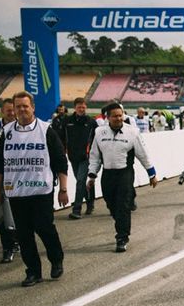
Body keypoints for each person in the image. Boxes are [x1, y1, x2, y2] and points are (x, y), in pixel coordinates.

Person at [0, 92, 68, 286]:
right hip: (16, 192)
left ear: (33, 107)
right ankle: (33, 271)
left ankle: (56, 259)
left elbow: (60, 161)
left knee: (45, 229)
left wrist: (63, 189)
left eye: (25, 106)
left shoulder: (45, 129)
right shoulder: (7, 132)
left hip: (41, 191)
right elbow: (0, 164)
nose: (22, 110)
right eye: (18, 107)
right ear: (14, 109)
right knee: (24, 235)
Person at [86, 103, 157, 252]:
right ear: (108, 117)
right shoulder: (99, 132)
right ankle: (121, 222)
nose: (118, 118)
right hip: (108, 174)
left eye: (121, 115)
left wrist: (152, 174)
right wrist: (91, 176)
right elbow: (94, 156)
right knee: (112, 205)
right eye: (115, 116)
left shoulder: (133, 132)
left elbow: (143, 154)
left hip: (125, 173)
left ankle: (122, 237)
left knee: (123, 205)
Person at [54, 97, 99, 219]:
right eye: (79, 107)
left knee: (80, 181)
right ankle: (90, 202)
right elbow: (61, 137)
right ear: (75, 107)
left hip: (86, 157)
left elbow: (96, 139)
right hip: (72, 157)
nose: (81, 109)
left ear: (86, 107)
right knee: (81, 183)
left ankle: (77, 209)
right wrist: (63, 151)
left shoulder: (91, 122)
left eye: (83, 107)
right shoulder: (67, 121)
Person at [0, 99, 19, 262]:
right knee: (1, 218)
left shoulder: (20, 129)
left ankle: (16, 242)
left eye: (13, 109)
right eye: (8, 110)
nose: (12, 113)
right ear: (2, 112)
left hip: (14, 180)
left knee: (14, 216)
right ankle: (9, 245)